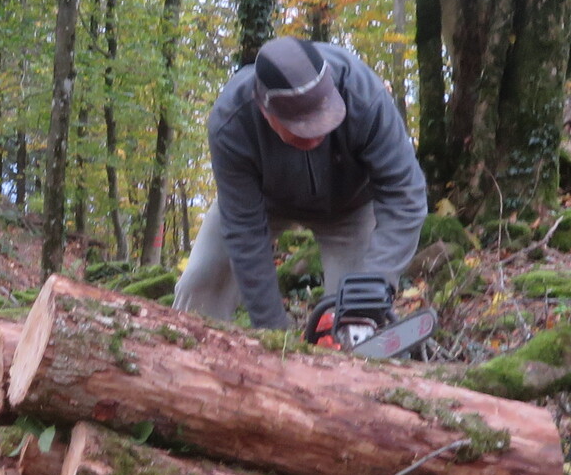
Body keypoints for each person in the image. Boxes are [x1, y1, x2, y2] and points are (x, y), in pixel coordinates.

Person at [174, 35, 428, 331]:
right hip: (263, 203)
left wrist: (377, 279)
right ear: (265, 110)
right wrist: (273, 332)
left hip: (351, 207)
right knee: (200, 282)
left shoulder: (364, 95)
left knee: (357, 315)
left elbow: (405, 195)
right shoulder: (231, 121)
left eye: (323, 117)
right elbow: (244, 232)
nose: (317, 133)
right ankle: (189, 347)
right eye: (302, 126)